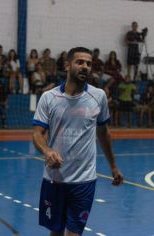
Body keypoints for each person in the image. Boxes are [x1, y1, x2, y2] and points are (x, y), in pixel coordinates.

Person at [32, 47, 123, 236]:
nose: (85, 67)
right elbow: (37, 134)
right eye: (80, 62)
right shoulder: (49, 98)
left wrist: (113, 166)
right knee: (55, 232)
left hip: (84, 181)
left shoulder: (98, 97)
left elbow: (104, 132)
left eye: (88, 64)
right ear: (67, 65)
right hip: (54, 179)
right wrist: (47, 151)